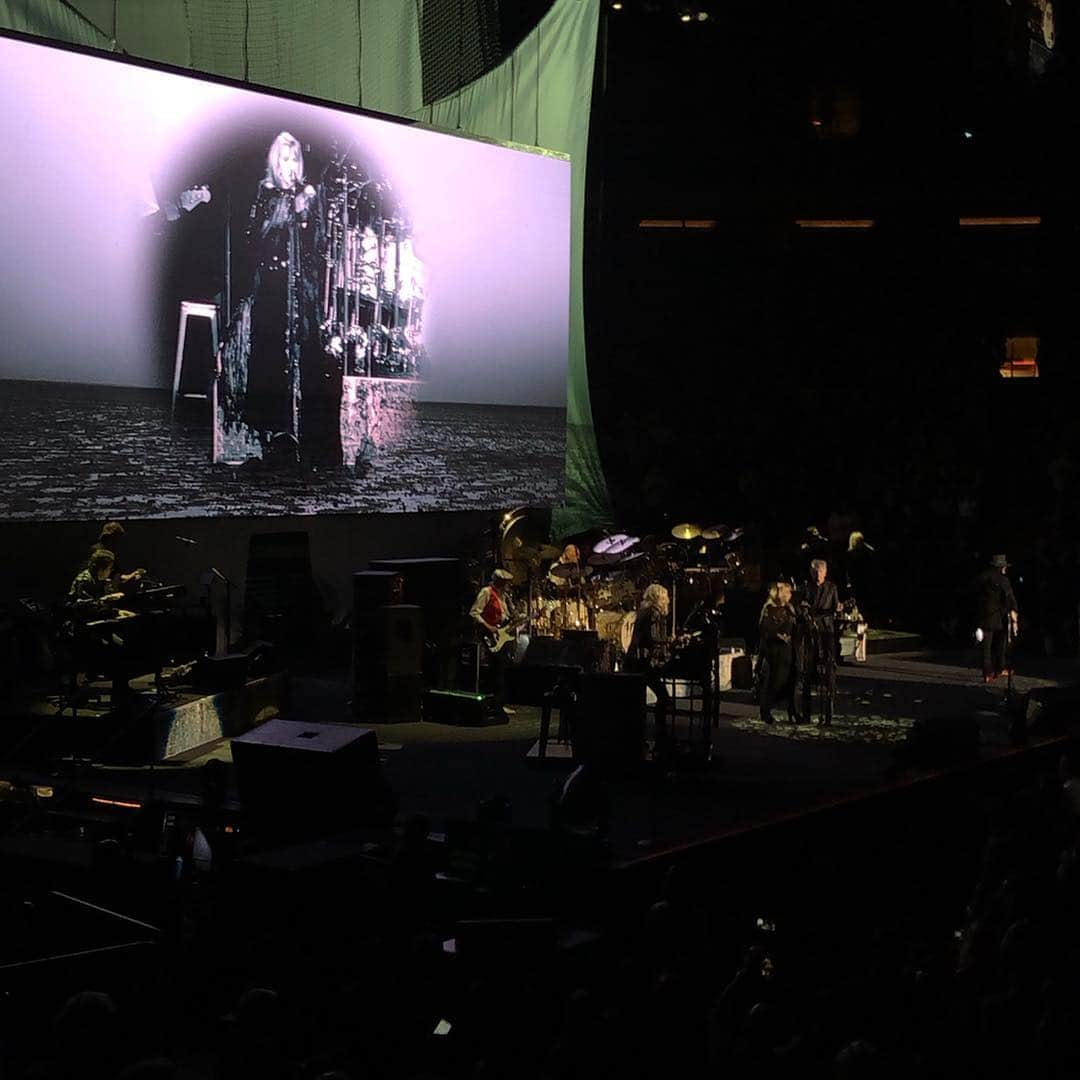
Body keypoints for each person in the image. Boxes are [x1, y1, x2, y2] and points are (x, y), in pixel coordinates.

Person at [219, 131, 340, 469]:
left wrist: (307, 210)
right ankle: (272, 433)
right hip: (271, 291)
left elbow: (317, 245)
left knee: (306, 360)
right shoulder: (265, 193)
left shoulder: (309, 195)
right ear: (275, 162)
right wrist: (290, 207)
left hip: (302, 294)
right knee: (271, 361)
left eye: (294, 160)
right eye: (284, 160)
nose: (290, 166)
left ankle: (307, 436)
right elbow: (257, 236)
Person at [627, 583, 673, 757]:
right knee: (663, 698)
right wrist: (670, 642)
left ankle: (641, 739)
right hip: (644, 663)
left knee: (639, 701)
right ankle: (660, 738)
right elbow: (654, 639)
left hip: (636, 661)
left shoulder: (644, 612)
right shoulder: (654, 613)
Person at [794, 558, 839, 724]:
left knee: (829, 672)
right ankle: (806, 714)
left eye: (820, 571)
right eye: (815, 572)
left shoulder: (832, 588)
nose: (817, 575)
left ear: (825, 572)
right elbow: (800, 607)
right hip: (810, 634)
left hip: (826, 632)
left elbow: (834, 609)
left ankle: (828, 713)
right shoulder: (806, 588)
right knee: (807, 672)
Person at [469, 568, 517, 707]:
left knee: (501, 668)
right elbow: (474, 613)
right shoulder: (487, 592)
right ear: (499, 582)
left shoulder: (505, 596)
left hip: (502, 635)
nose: (508, 585)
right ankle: (494, 703)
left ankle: (499, 702)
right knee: (496, 668)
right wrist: (488, 626)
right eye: (505, 582)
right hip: (490, 635)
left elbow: (506, 616)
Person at [975, 553, 1019, 683]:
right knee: (1002, 642)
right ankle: (1001, 668)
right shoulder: (1003, 579)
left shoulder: (982, 577)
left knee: (986, 646)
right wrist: (1014, 610)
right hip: (999, 615)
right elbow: (1010, 596)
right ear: (1001, 567)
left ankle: (987, 673)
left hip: (985, 615)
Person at [756, 581, 796, 724]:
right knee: (774, 681)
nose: (790, 594)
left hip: (787, 650)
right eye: (788, 591)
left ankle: (790, 708)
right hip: (774, 649)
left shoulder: (789, 608)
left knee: (788, 679)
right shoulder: (769, 609)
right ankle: (766, 710)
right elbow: (764, 629)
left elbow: (793, 625)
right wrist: (778, 635)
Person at [87, 521, 146, 587]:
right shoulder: (97, 552)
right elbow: (97, 578)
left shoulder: (112, 552)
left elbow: (115, 575)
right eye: (115, 537)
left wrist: (131, 576)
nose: (117, 541)